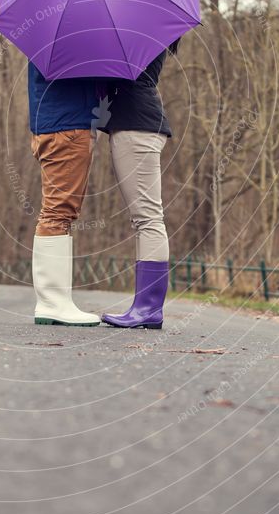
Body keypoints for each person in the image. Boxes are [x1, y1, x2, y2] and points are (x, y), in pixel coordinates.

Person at [100, 40, 179, 330]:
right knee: (145, 219)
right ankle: (145, 307)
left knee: (147, 219)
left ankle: (148, 308)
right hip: (137, 125)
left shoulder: (136, 39)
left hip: (137, 127)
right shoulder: (139, 36)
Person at [28, 61, 101, 326]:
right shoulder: (72, 38)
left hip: (57, 122)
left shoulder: (52, 37)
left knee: (59, 212)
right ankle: (52, 303)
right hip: (66, 125)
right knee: (58, 212)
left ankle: (55, 301)